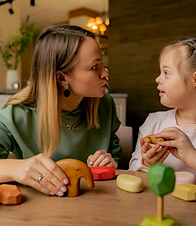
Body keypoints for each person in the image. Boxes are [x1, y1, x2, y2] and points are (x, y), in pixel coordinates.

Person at [0, 25, 122, 196]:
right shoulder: (16, 115)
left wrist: (109, 164)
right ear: (62, 78)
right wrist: (18, 168)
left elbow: (115, 157)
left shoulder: (105, 105)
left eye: (101, 62)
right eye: (95, 67)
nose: (105, 73)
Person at [129, 37, 196, 191]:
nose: (158, 79)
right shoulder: (154, 122)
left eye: (166, 72)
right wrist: (146, 164)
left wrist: (193, 156)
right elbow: (132, 172)